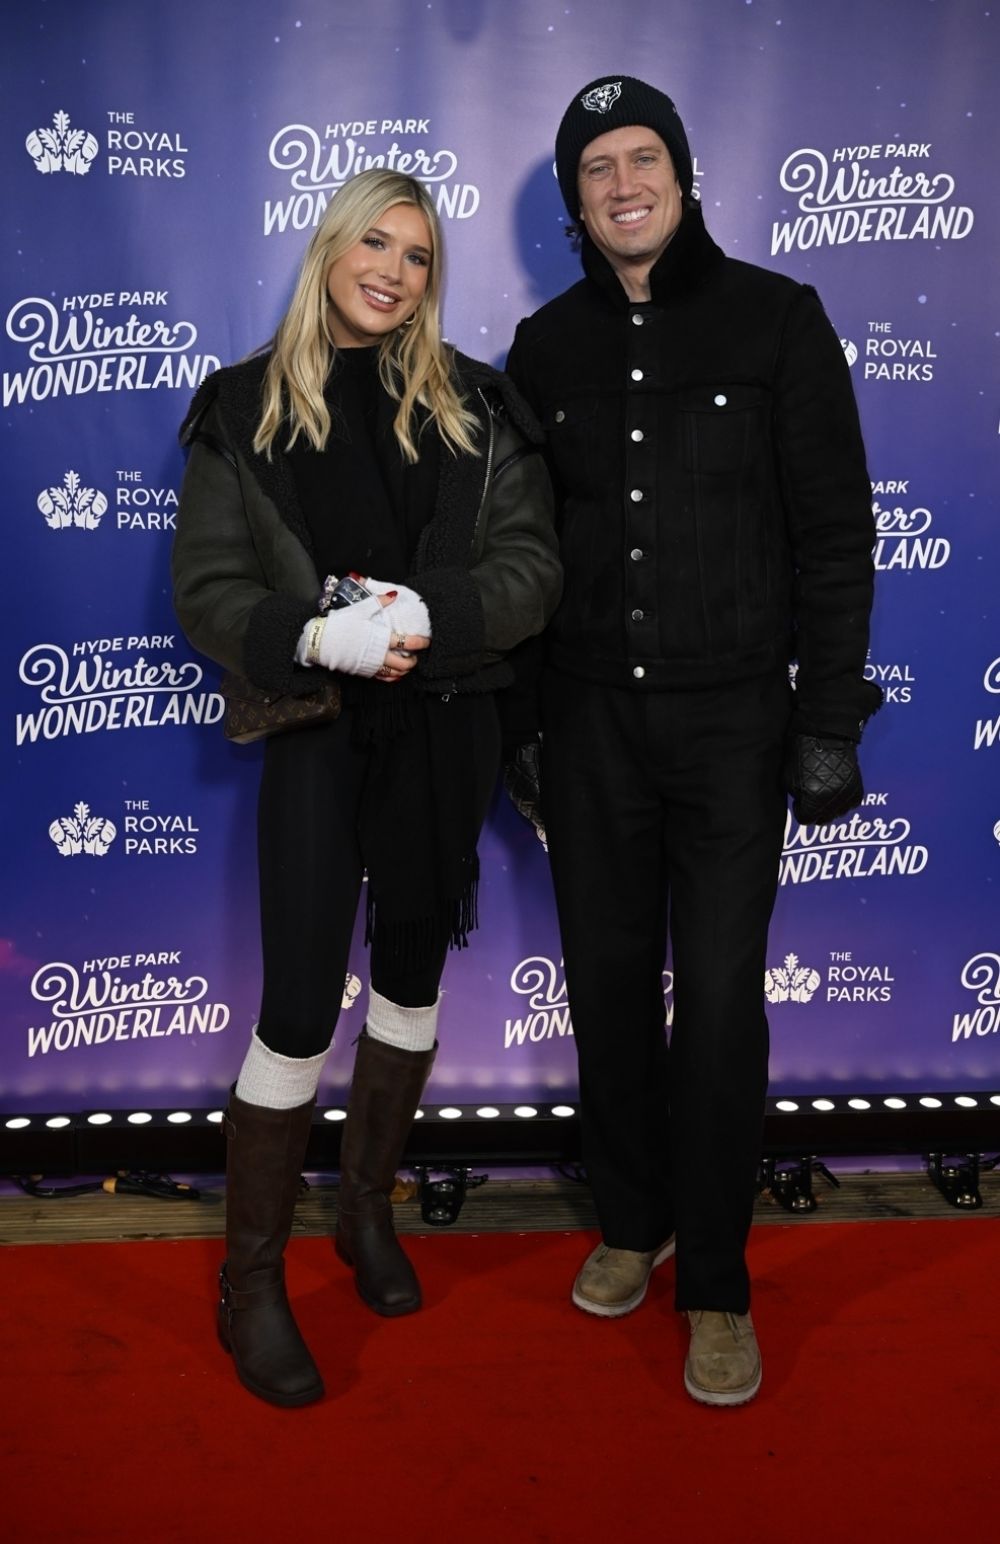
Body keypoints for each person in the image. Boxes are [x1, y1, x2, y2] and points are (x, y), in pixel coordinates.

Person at [505, 75, 880, 1406]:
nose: (622, 182)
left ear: (683, 171)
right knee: (606, 984)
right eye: (596, 166)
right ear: (575, 198)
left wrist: (827, 717)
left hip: (735, 726)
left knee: (719, 1002)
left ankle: (716, 1281)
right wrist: (518, 728)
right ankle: (631, 1220)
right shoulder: (542, 349)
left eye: (641, 156)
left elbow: (838, 535)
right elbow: (521, 555)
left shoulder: (780, 320)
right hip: (588, 720)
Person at [172, 168, 561, 1408]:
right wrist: (309, 631)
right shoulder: (240, 409)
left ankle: (366, 1210)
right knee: (296, 1007)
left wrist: (431, 613)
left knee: (410, 981)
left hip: (447, 731)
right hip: (319, 730)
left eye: (419, 254)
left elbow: (533, 568)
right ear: (333, 246)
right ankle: (252, 1276)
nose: (393, 269)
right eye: (375, 242)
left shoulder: (479, 406)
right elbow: (207, 592)